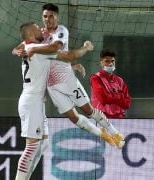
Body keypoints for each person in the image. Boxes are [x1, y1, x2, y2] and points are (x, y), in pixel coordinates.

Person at [13, 3, 125, 150]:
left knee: (88, 110)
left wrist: (74, 61)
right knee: (73, 117)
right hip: (51, 85)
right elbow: (17, 48)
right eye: (45, 16)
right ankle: (102, 135)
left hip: (66, 79)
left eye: (51, 16)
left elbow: (56, 49)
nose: (47, 19)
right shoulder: (39, 35)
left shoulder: (61, 31)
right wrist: (17, 52)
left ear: (57, 17)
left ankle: (115, 133)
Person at [15, 22, 94, 180]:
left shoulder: (26, 46)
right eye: (37, 28)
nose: (41, 29)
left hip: (35, 101)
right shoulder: (40, 51)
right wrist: (86, 48)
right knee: (31, 147)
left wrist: (72, 67)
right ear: (31, 34)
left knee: (42, 144)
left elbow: (48, 66)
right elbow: (69, 55)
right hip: (31, 102)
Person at [90, 49, 131, 119]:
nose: (110, 64)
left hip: (119, 117)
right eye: (106, 61)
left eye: (112, 61)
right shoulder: (96, 78)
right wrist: (120, 96)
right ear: (101, 63)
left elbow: (127, 103)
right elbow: (103, 99)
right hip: (101, 118)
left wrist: (111, 96)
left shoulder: (120, 80)